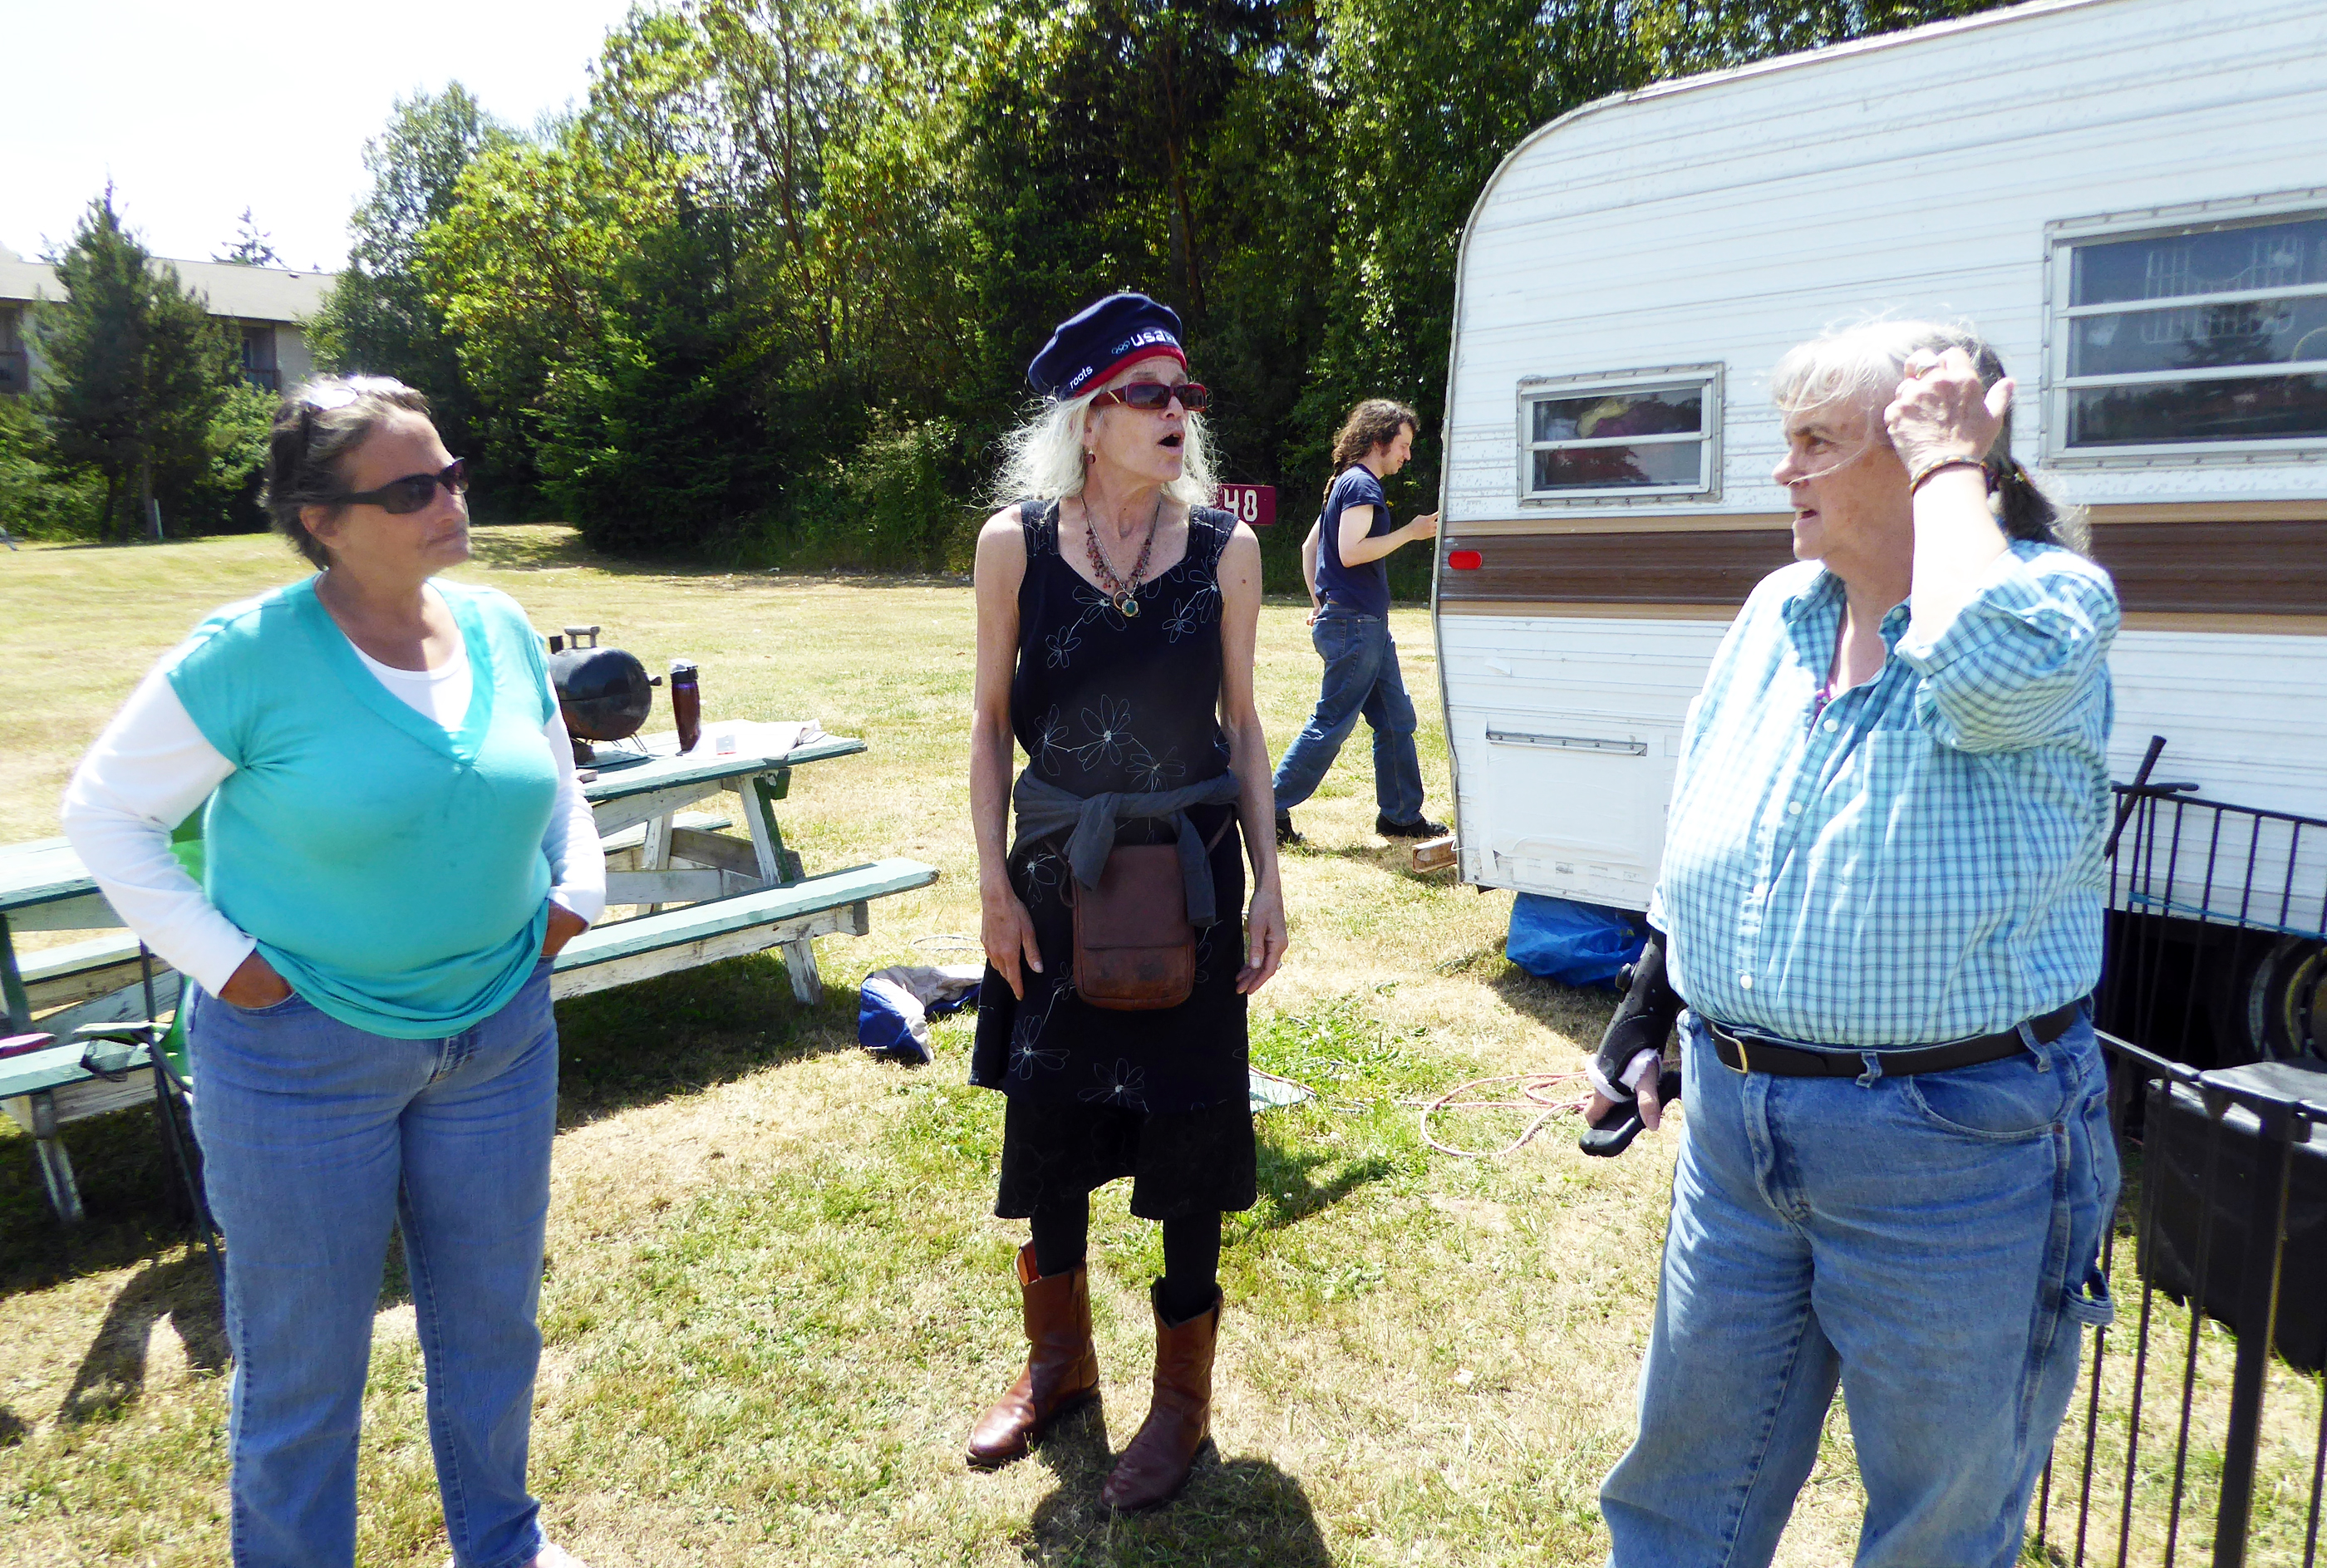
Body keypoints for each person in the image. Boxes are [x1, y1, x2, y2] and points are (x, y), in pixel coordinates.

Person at [1587, 321, 2123, 1568]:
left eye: (1818, 443)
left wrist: (1952, 469)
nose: (1788, 472)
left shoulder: (2048, 601)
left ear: (1923, 455)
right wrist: (1651, 1005)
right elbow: (1708, 809)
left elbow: (1987, 672)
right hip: (1738, 1126)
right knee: (1682, 1490)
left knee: (1935, 1526)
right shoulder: (1783, 605)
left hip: (1957, 1146)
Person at [60, 376, 603, 1568]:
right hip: (300, 1058)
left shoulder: (500, 622)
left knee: (492, 1324)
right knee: (307, 1365)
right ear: (321, 518)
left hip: (497, 1039)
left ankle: (503, 1542)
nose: (449, 498)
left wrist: (577, 889)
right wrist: (229, 963)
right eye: (412, 488)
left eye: (451, 472)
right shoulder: (250, 655)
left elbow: (555, 768)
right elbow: (104, 812)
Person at [964, 292, 1288, 1511]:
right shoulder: (1017, 545)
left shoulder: (1228, 550)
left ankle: (1182, 1408)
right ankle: (1060, 1366)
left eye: (1184, 394)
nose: (1178, 414)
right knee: (1048, 1128)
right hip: (1056, 884)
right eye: (1151, 394)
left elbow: (1247, 726)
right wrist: (993, 881)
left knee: (1190, 1144)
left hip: (1190, 885)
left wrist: (1271, 879)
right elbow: (992, 727)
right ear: (1091, 419)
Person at [1271, 398, 1444, 846]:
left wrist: (1319, 602)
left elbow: (1310, 550)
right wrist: (1410, 531)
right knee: (1332, 721)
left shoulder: (1343, 486)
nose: (1407, 455)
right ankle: (1267, 808)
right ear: (1378, 440)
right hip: (1357, 626)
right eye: (1403, 445)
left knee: (1396, 719)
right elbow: (1349, 552)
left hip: (1361, 624)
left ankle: (1401, 816)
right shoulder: (1362, 486)